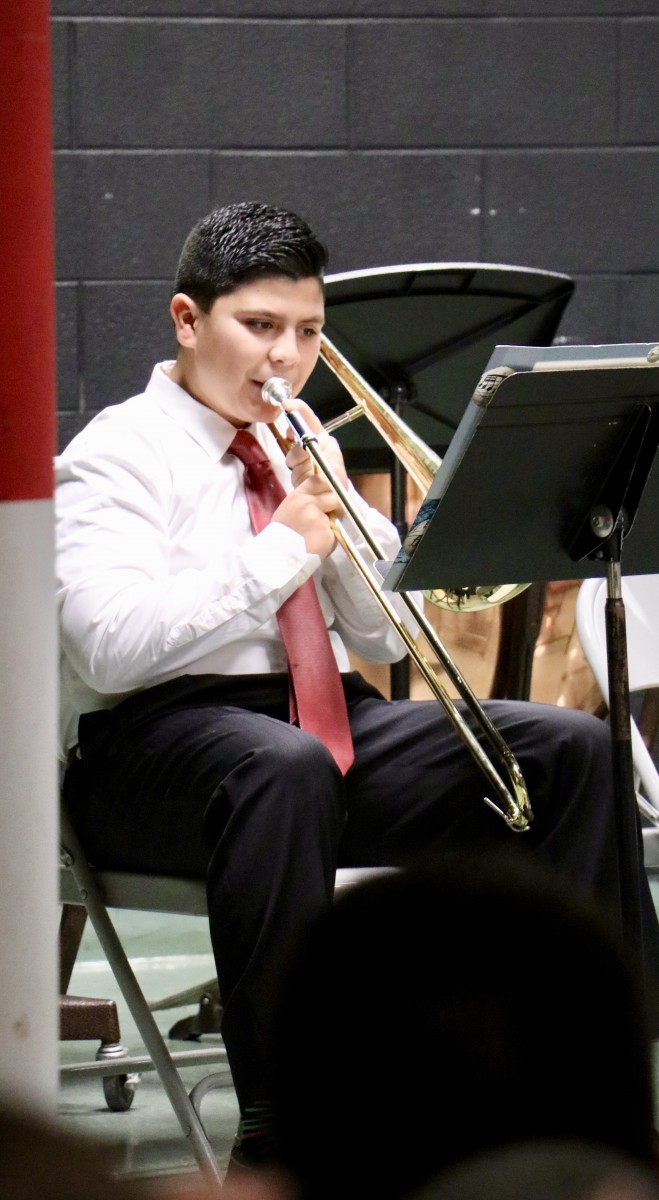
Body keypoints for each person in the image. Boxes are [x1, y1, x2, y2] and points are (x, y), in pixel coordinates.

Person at [55, 200, 659, 1172]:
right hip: (149, 749)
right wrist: (277, 553)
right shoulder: (113, 458)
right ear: (184, 319)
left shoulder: (302, 446)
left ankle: (595, 1100)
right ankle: (284, 1138)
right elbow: (107, 651)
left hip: (314, 725)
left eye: (305, 333)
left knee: (569, 751)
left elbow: (380, 633)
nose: (284, 359)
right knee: (280, 768)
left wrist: (336, 531)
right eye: (258, 327)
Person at [269, 852, 659, 1200]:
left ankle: (602, 1120)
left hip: (400, 778)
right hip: (283, 785)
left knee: (585, 765)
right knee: (290, 773)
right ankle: (261, 1122)